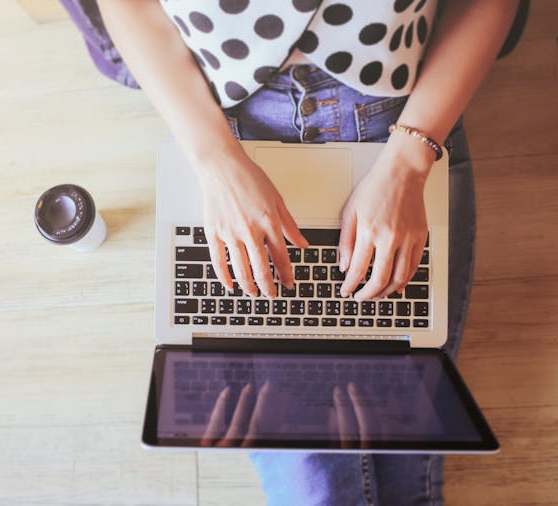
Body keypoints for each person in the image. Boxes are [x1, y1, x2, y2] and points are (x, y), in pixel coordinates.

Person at [62, 1, 520, 503]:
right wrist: (215, 162)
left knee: (398, 452)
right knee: (315, 479)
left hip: (403, 122)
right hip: (225, 127)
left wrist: (408, 164)